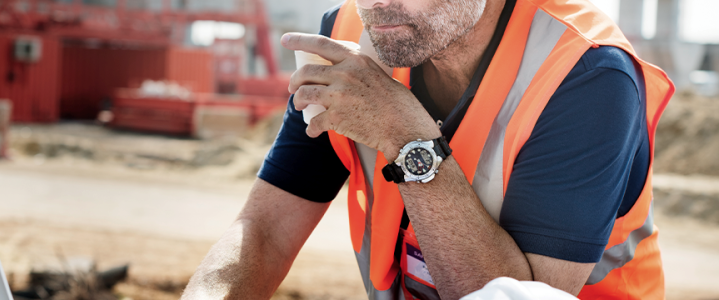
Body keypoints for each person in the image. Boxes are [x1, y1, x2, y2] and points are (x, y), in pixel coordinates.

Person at [181, 0, 672, 299]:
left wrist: (408, 140)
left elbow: (520, 299)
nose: (375, 4)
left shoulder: (586, 76)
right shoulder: (351, 34)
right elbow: (265, 232)